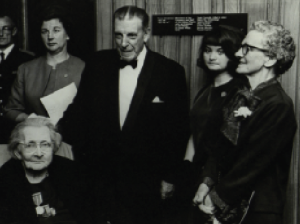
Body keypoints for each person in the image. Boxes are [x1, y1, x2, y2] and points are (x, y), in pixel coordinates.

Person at [58, 5, 190, 224]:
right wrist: (57, 133)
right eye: (118, 35)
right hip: (101, 177)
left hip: (147, 180)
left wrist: (170, 177)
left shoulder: (170, 71)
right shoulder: (97, 64)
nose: (123, 43)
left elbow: (178, 130)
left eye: (131, 35)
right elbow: (79, 111)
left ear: (146, 34)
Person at [193, 20, 297, 224]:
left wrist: (214, 199)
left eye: (247, 48)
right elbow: (219, 146)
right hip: (226, 203)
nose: (239, 54)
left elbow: (252, 164)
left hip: (257, 210)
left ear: (270, 59)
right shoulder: (238, 95)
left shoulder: (279, 105)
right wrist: (207, 181)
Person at [180, 25, 247, 224]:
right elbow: (194, 132)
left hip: (219, 179)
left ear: (232, 54)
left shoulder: (239, 91)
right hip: (195, 174)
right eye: (208, 51)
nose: (212, 57)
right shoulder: (204, 91)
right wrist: (185, 168)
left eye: (220, 51)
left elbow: (228, 145)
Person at [0, 118, 94, 223]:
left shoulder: (71, 171)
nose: (39, 154)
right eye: (30, 145)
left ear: (53, 148)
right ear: (18, 151)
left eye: (45, 144)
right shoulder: (4, 182)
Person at [4, 5, 84, 124]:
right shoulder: (26, 69)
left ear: (67, 35)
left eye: (56, 30)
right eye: (44, 31)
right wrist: (33, 120)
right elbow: (11, 110)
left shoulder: (83, 68)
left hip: (72, 139)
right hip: (35, 137)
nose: (50, 37)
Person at [0, 12, 34, 143]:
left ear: (14, 31)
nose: (1, 33)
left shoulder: (27, 59)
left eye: (5, 28)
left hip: (16, 126)